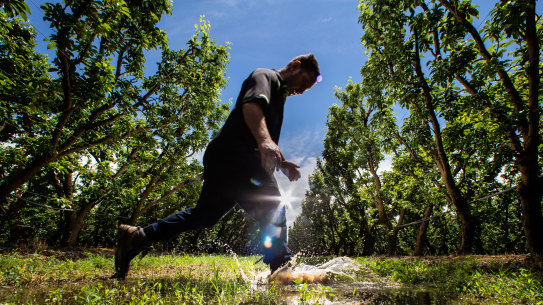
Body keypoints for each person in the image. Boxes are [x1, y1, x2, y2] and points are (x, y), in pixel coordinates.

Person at [112, 54, 321, 279]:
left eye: (307, 89)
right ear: (295, 66)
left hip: (227, 159)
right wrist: (265, 142)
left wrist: (280, 161)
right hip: (236, 157)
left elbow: (257, 132)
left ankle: (138, 237)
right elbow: (250, 105)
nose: (301, 90)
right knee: (273, 207)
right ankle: (282, 270)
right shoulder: (266, 76)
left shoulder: (279, 96)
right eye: (304, 83)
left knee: (204, 216)